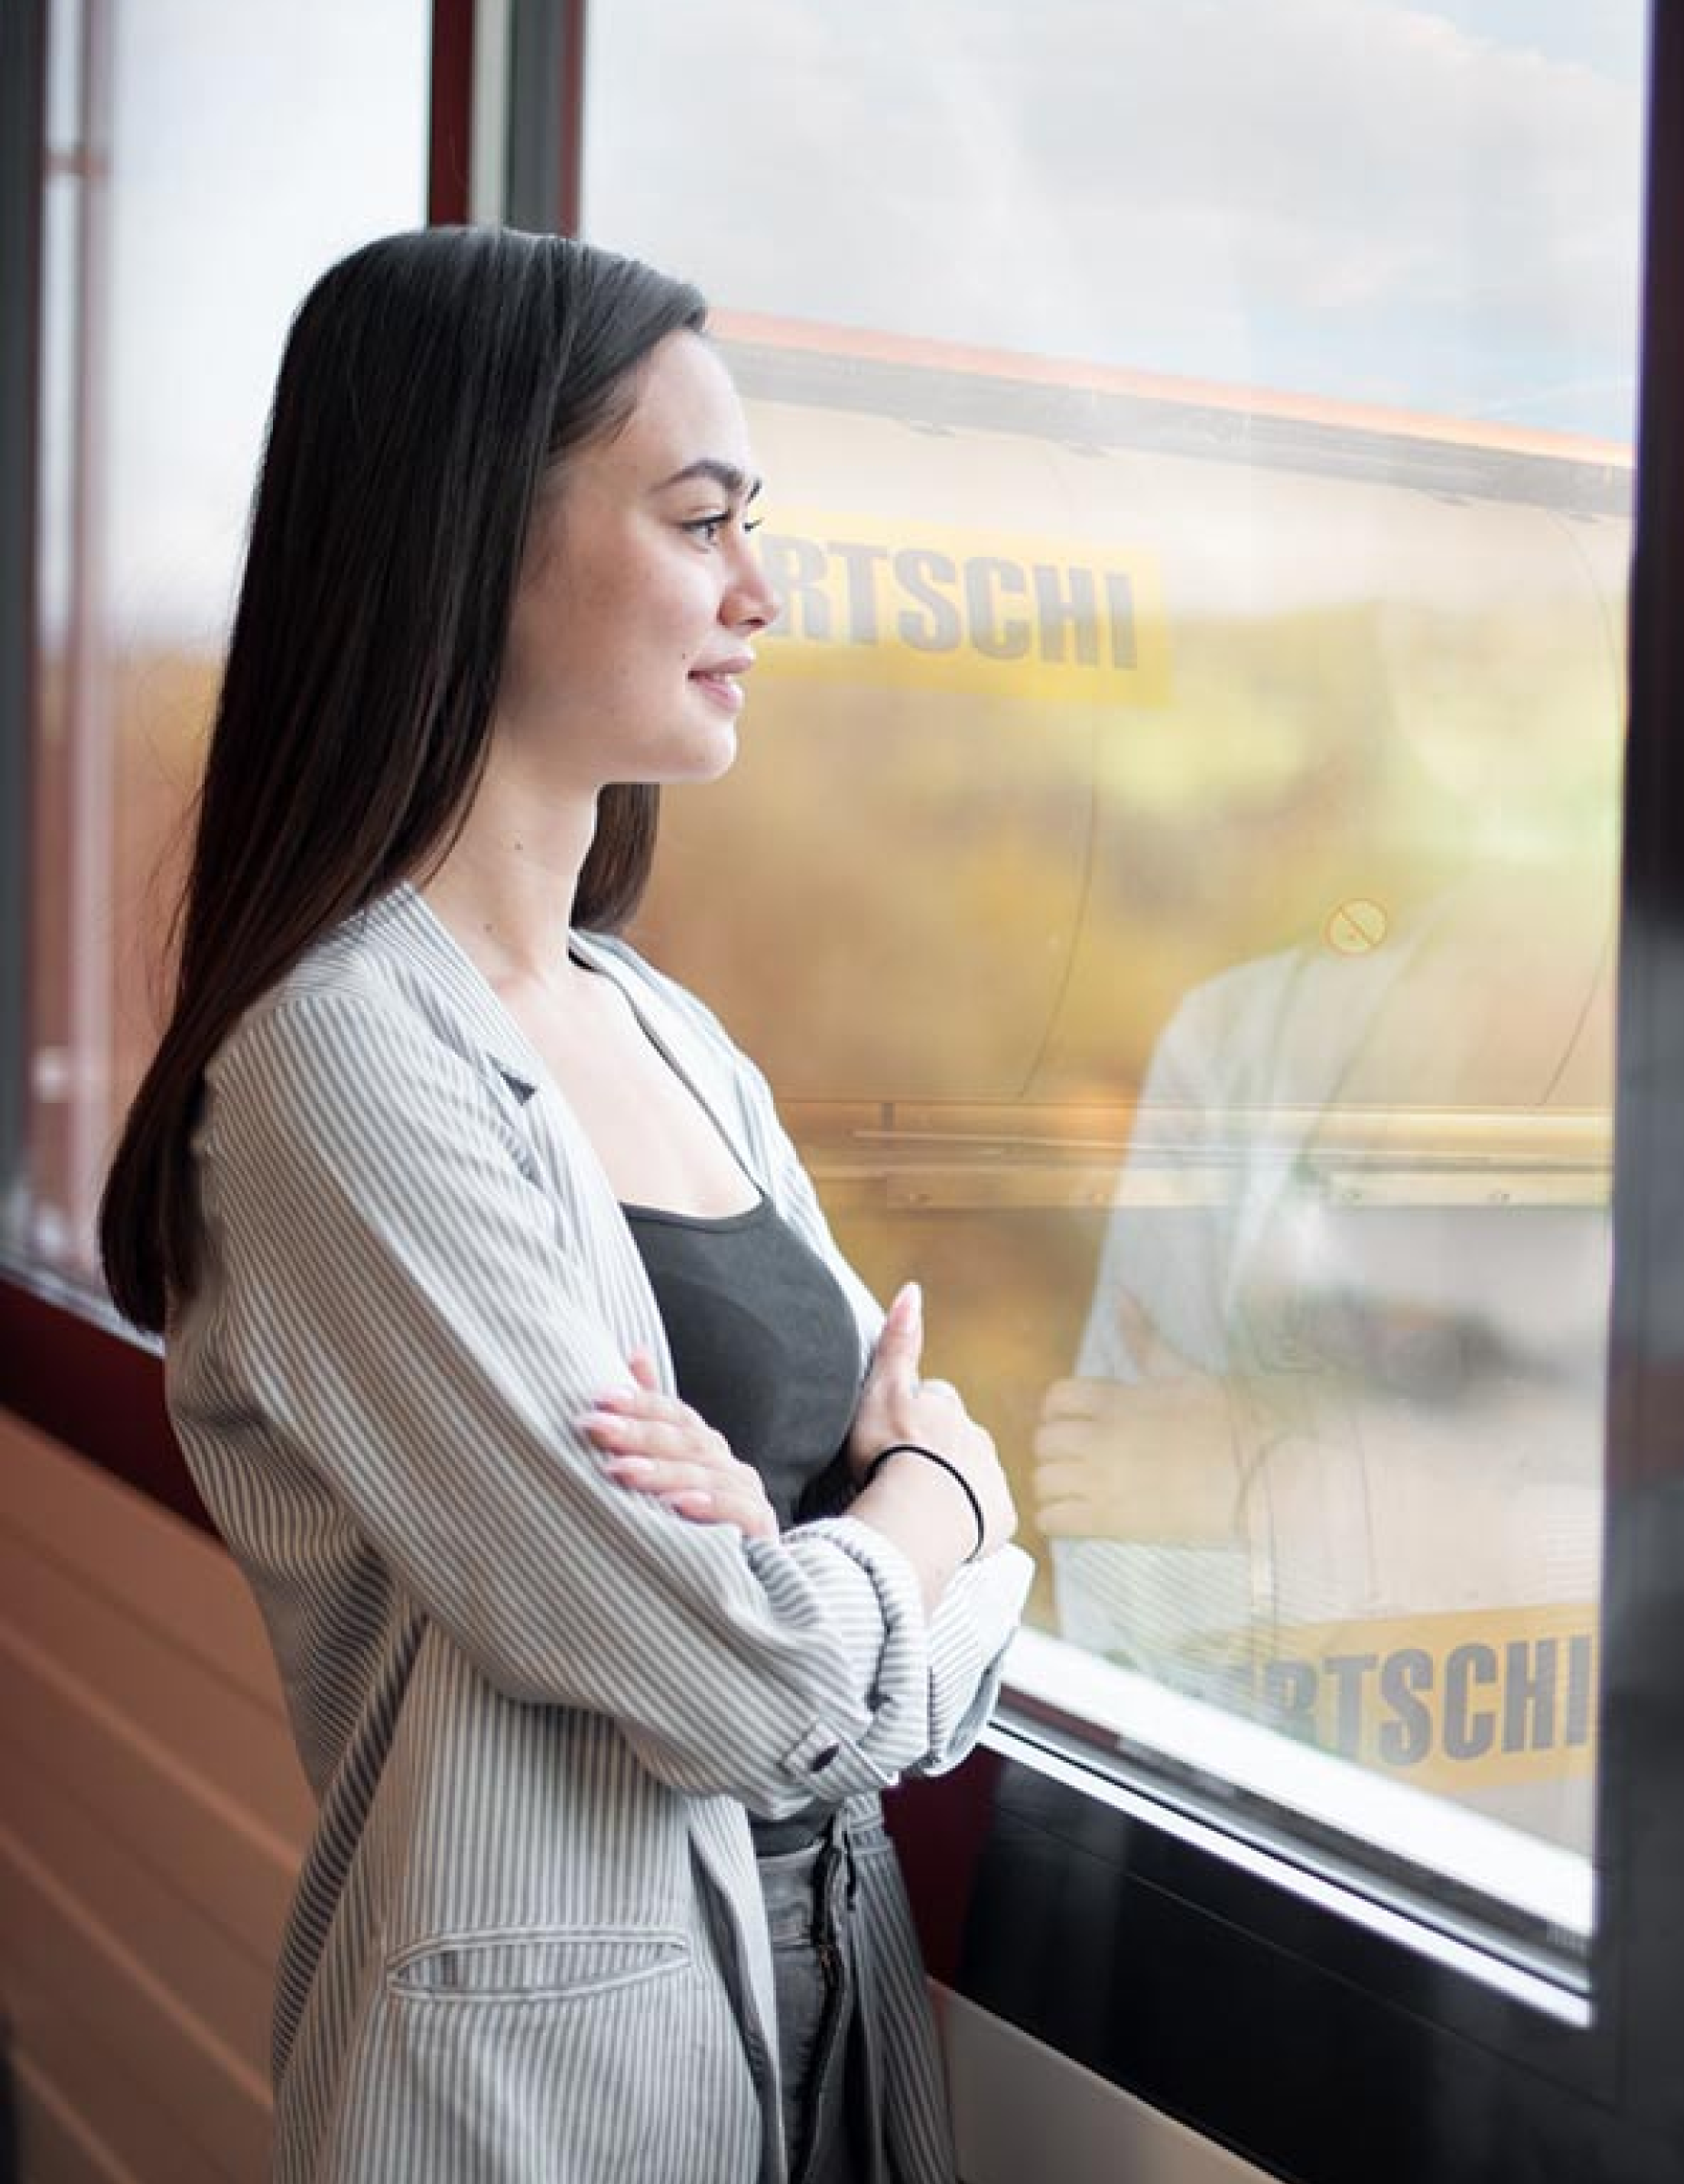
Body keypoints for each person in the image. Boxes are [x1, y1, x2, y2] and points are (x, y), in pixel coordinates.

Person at [96, 227, 1030, 2182]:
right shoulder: (340, 1063)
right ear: (470, 539)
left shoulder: (665, 1030)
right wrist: (918, 1511)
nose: (760, 592)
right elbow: (755, 1669)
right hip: (545, 2104)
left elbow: (935, 1656)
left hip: (834, 2013)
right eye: (701, 523)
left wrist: (860, 1559)